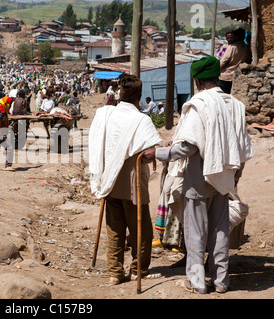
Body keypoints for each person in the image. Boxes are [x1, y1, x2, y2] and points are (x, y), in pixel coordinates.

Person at [155, 56, 253, 294]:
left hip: (198, 179)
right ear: (216, 77)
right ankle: (221, 281)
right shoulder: (234, 104)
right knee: (220, 230)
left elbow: (187, 147)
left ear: (197, 80)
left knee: (195, 231)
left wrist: (158, 153)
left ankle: (197, 281)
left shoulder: (199, 103)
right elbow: (242, 146)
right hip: (224, 179)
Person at [88, 74, 162, 285]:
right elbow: (149, 153)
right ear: (139, 96)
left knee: (114, 227)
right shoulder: (141, 119)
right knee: (141, 228)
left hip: (108, 179)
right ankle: (139, 269)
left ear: (120, 93)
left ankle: (115, 273)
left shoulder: (105, 114)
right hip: (132, 181)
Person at [219, 28, 251, 94]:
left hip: (225, 76)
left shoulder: (232, 47)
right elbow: (248, 60)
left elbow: (223, 61)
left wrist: (216, 71)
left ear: (236, 36)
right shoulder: (247, 48)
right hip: (237, 76)